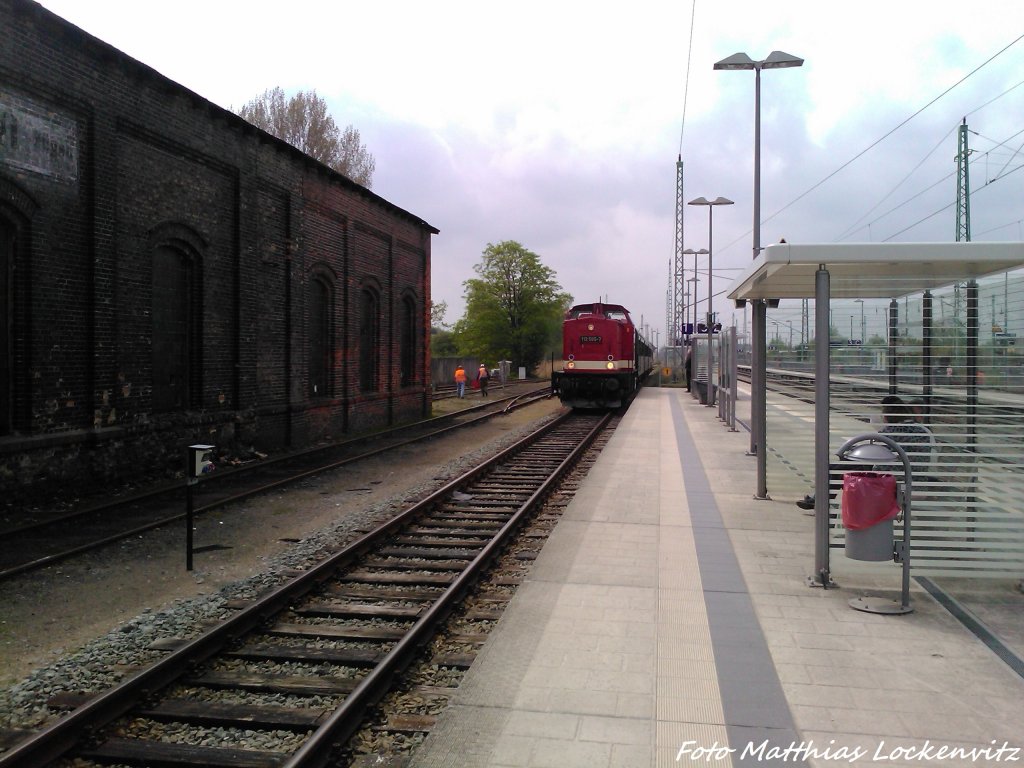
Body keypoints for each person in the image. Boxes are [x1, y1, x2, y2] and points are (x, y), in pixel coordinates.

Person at [796, 394, 933, 510]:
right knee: (841, 467)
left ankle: (819, 501)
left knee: (838, 468)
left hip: (893, 477)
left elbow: (875, 455)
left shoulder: (890, 431)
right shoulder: (922, 431)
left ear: (887, 417)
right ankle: (819, 500)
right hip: (913, 477)